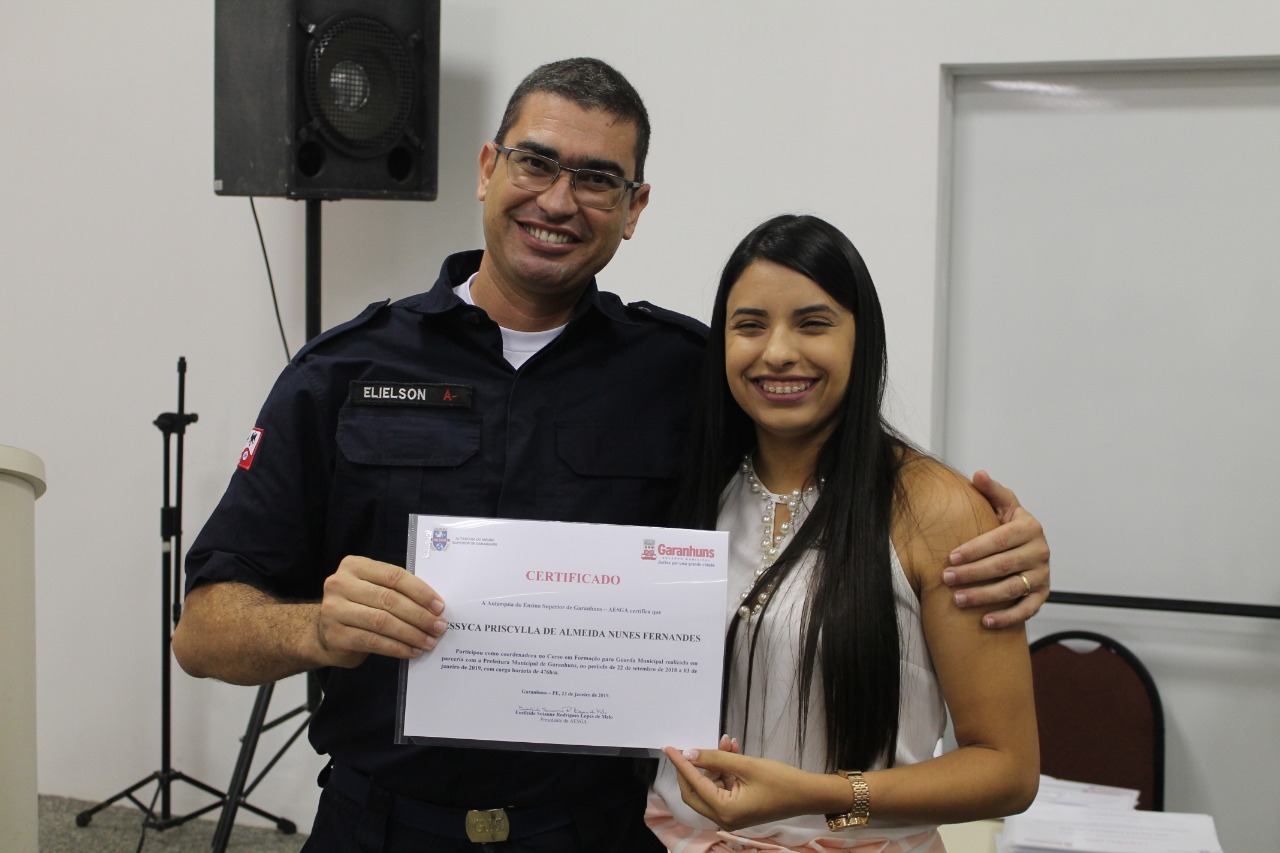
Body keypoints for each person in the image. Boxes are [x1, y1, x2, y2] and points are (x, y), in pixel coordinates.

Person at [173, 59, 1048, 853]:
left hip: (600, 831)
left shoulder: (684, 375)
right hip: (380, 825)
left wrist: (998, 538)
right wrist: (314, 627)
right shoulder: (342, 371)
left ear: (635, 208)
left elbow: (829, 450)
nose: (559, 200)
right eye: (536, 162)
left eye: (598, 179)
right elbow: (205, 628)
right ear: (487, 168)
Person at [646, 214, 1040, 852]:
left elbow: (1008, 770)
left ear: (863, 340)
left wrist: (823, 795)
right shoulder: (687, 490)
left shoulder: (934, 509)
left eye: (813, 323)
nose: (776, 352)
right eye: (749, 326)